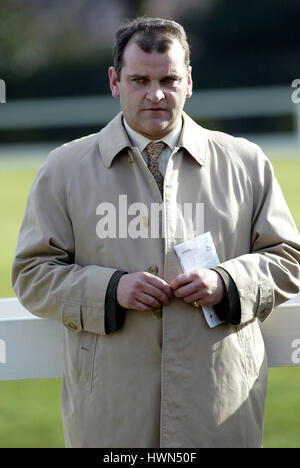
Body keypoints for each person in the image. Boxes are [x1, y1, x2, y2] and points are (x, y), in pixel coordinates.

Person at [12, 17, 300, 448]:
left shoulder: (246, 162)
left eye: (169, 79)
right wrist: (111, 290)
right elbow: (32, 274)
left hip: (220, 404)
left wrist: (226, 282)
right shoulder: (64, 168)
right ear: (115, 81)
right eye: (139, 79)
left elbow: (288, 260)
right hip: (109, 409)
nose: (155, 94)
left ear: (189, 82)